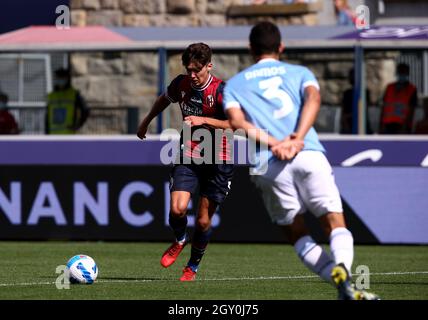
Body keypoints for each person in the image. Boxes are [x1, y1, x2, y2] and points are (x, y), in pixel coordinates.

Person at [223, 21, 379, 300]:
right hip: (307, 153)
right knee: (334, 223)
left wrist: (275, 144)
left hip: (266, 163)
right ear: (281, 47)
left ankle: (340, 283)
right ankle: (343, 269)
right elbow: (314, 99)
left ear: (250, 49)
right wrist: (296, 138)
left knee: (297, 233)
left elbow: (237, 122)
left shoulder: (234, 84)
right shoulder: (300, 72)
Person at [137, 43, 234, 282]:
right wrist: (147, 120)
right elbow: (165, 98)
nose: (192, 75)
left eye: (197, 70)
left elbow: (237, 124)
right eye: (188, 69)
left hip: (218, 159)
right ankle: (180, 239)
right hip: (189, 154)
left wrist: (204, 120)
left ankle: (192, 266)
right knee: (177, 209)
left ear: (208, 66)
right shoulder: (181, 83)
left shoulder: (222, 91)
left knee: (202, 221)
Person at [45, 68, 89, 134]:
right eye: (57, 78)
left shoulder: (74, 94)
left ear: (67, 79)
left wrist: (77, 125)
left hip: (68, 136)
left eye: (61, 77)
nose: (59, 80)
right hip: (53, 136)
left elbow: (85, 110)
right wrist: (46, 135)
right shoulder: (51, 96)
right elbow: (47, 117)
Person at [379, 63, 418, 134]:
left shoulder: (412, 89)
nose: (402, 74)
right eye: (400, 72)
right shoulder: (389, 87)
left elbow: (412, 110)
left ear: (407, 73)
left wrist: (405, 127)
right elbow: (383, 107)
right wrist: (381, 125)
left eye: (404, 72)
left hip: (402, 127)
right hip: (387, 125)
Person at [340, 68, 372, 134]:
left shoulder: (364, 93)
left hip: (362, 124)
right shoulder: (347, 93)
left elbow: (363, 110)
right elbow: (344, 112)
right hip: (349, 125)